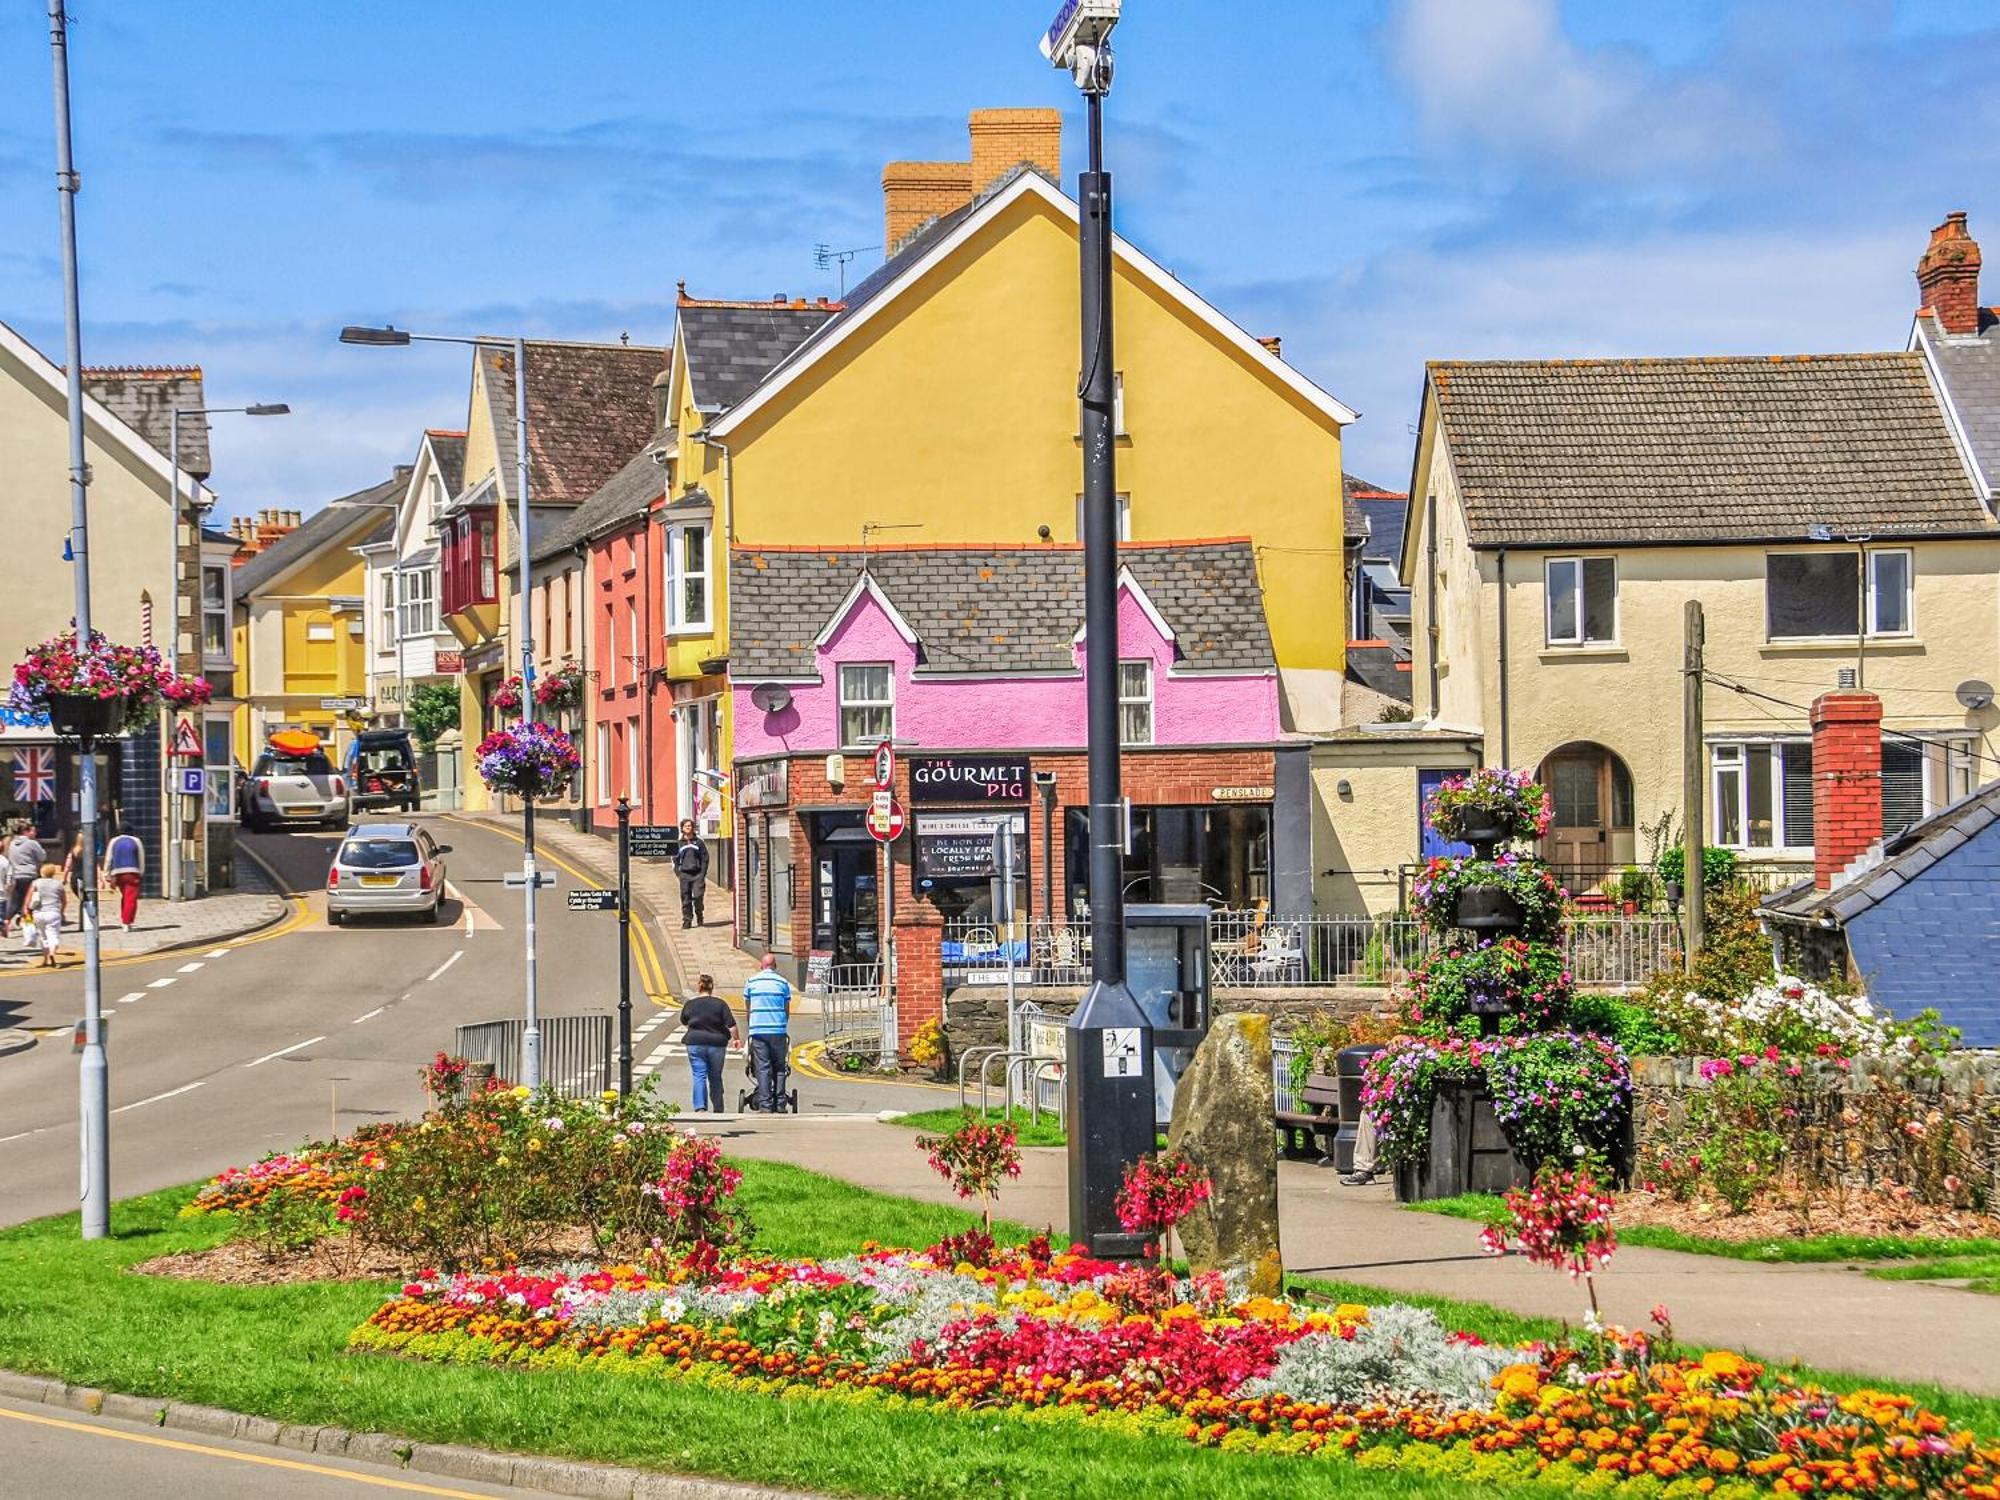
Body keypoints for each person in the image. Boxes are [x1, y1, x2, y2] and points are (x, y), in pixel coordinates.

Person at [678, 973, 739, 1113]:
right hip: (717, 1044)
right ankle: (718, 1108)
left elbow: (684, 1020)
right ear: (712, 988)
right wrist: (736, 1039)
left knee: (699, 1074)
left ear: (699, 987)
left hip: (695, 1043)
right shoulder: (720, 1004)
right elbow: (731, 1025)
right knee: (715, 1075)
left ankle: (700, 1108)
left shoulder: (690, 1004)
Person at [743, 952, 793, 1112]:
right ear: (775, 966)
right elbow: (786, 1009)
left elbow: (748, 1007)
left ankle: (765, 1105)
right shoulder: (783, 982)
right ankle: (780, 1104)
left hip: (758, 1030)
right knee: (779, 1066)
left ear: (761, 966)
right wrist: (782, 1024)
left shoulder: (751, 981)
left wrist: (751, 1025)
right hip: (778, 1030)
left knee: (763, 1067)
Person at [9, 822, 45, 950]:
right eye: (31, 830)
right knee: (28, 905)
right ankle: (29, 932)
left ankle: (6, 923)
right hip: (30, 876)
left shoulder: (12, 843)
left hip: (16, 875)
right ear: (26, 831)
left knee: (16, 902)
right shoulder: (32, 843)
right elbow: (42, 856)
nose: (33, 833)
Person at [104, 821, 145, 932]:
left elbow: (108, 859)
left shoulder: (113, 841)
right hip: (132, 873)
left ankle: (125, 919)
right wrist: (141, 873)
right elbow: (141, 858)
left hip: (118, 874)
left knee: (125, 897)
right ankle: (126, 922)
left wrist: (107, 874)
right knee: (131, 899)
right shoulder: (136, 841)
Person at [26, 861, 66, 967]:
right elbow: (64, 901)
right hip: (53, 913)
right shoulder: (58, 884)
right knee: (53, 935)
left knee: (43, 937)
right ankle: (52, 953)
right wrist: (61, 912)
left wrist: (26, 910)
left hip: (38, 913)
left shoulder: (36, 883)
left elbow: (28, 899)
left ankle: (45, 959)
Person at [673, 820, 708, 928]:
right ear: (682, 828)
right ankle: (687, 920)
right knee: (685, 898)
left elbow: (705, 859)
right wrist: (678, 873)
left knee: (698, 896)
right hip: (684, 875)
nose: (688, 827)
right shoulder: (679, 843)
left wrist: (702, 873)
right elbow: (675, 859)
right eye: (685, 826)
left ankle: (699, 914)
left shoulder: (699, 842)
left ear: (693, 828)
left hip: (697, 875)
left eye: (689, 826)